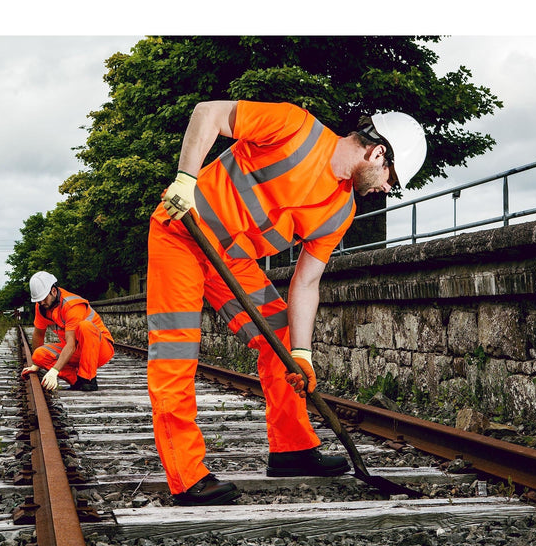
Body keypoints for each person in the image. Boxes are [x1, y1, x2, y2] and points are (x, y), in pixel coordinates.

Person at [148, 100, 427, 506]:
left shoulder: (342, 210)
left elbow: (307, 281)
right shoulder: (295, 126)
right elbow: (206, 113)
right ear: (378, 152)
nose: (387, 188)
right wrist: (185, 180)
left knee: (282, 343)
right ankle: (186, 474)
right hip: (181, 234)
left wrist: (302, 352)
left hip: (231, 260)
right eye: (392, 178)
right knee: (176, 351)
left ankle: (292, 450)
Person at [21, 271, 115, 392]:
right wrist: (36, 365)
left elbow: (70, 345)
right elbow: (38, 334)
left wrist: (54, 370)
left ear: (53, 291)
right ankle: (77, 381)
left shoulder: (72, 306)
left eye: (44, 298)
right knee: (38, 355)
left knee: (85, 326)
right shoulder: (42, 307)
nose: (42, 303)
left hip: (99, 349)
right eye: (38, 300)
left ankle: (88, 379)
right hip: (77, 350)